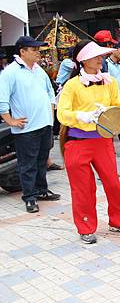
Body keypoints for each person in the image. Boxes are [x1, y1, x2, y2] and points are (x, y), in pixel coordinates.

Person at [57, 40, 120, 244]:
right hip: (77, 142)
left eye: (101, 55)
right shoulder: (71, 85)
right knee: (83, 188)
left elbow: (118, 108)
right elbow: (62, 114)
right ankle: (85, 226)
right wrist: (82, 116)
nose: (101, 58)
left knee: (113, 183)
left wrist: (107, 113)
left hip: (103, 141)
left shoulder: (110, 82)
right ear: (83, 59)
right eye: (96, 55)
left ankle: (118, 221)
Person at [0, 36, 61, 213]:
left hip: (44, 125)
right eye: (34, 50)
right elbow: (2, 100)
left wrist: (50, 115)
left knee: (42, 161)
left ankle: (42, 190)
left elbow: (50, 92)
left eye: (38, 50)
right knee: (27, 164)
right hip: (26, 129)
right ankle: (29, 197)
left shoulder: (39, 70)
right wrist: (10, 120)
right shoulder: (10, 72)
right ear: (22, 51)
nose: (38, 53)